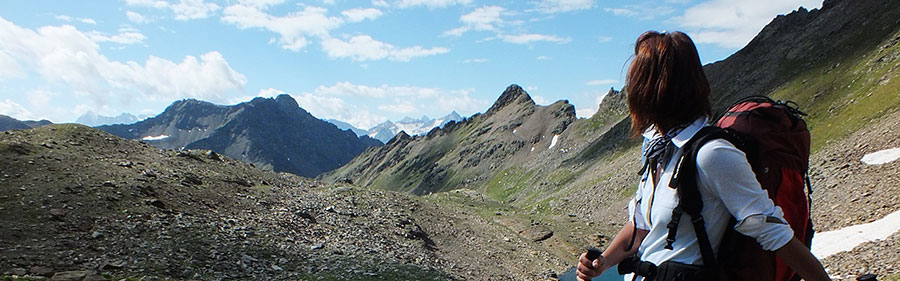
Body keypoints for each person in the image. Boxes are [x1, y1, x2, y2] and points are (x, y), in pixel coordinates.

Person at [575, 31, 830, 281]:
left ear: (651, 91)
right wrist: (603, 262)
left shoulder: (713, 154)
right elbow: (641, 226)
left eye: (635, 81)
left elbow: (773, 232)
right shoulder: (657, 150)